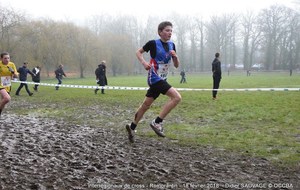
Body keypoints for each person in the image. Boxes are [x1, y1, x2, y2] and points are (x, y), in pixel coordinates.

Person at [126, 21, 181, 143]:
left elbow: (176, 66)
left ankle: (132, 127)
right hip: (155, 78)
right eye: (167, 30)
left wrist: (176, 57)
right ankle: (157, 122)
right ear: (160, 32)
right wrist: (144, 63)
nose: (170, 33)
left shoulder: (172, 45)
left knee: (146, 105)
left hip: (162, 79)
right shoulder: (153, 43)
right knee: (177, 98)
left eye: (171, 31)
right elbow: (138, 52)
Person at [0, 52, 18, 116]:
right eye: (5, 58)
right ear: (1, 58)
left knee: (3, 102)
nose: (7, 60)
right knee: (7, 98)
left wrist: (13, 72)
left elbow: (16, 76)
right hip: (0, 84)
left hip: (7, 85)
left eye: (8, 58)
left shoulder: (12, 64)